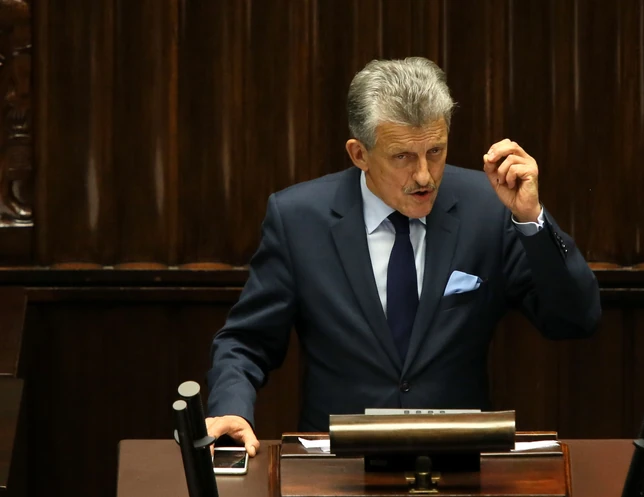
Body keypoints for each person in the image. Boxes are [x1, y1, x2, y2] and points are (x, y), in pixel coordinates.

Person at [205, 57, 601, 456]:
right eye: (403, 157)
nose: (425, 175)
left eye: (435, 151)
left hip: (459, 460)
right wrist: (231, 409)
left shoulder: (489, 208)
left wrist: (531, 219)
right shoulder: (299, 220)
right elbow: (247, 340)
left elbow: (575, 319)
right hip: (337, 466)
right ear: (359, 154)